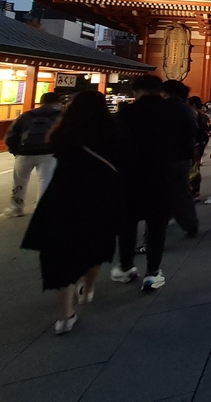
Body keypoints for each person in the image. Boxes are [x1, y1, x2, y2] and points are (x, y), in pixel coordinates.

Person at [21, 90, 122, 334]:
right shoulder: (113, 130)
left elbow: (53, 148)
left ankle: (66, 315)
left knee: (60, 252)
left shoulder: (63, 130)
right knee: (95, 243)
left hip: (63, 195)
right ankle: (88, 289)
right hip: (98, 196)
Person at [113, 75, 180, 291]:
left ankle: (126, 267)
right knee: (157, 225)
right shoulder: (172, 112)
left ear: (137, 91)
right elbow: (186, 140)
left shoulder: (125, 114)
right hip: (161, 175)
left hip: (128, 176)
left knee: (127, 224)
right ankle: (152, 273)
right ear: (160, 91)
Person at [3, 92, 62, 217]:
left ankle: (16, 208)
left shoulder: (27, 115)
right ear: (57, 103)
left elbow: (11, 134)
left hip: (25, 153)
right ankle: (41, 209)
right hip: (48, 153)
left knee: (20, 181)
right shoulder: (60, 116)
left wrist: (16, 151)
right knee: (45, 180)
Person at [161, 80, 200, 237]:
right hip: (184, 155)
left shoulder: (162, 108)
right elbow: (194, 131)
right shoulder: (186, 109)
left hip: (167, 156)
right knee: (182, 190)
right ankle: (189, 222)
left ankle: (161, 224)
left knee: (164, 191)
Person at [188, 96, 211, 201]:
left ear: (192, 104)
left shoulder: (193, 115)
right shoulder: (204, 116)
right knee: (195, 168)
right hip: (200, 144)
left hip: (194, 145)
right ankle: (195, 191)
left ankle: (193, 191)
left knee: (192, 169)